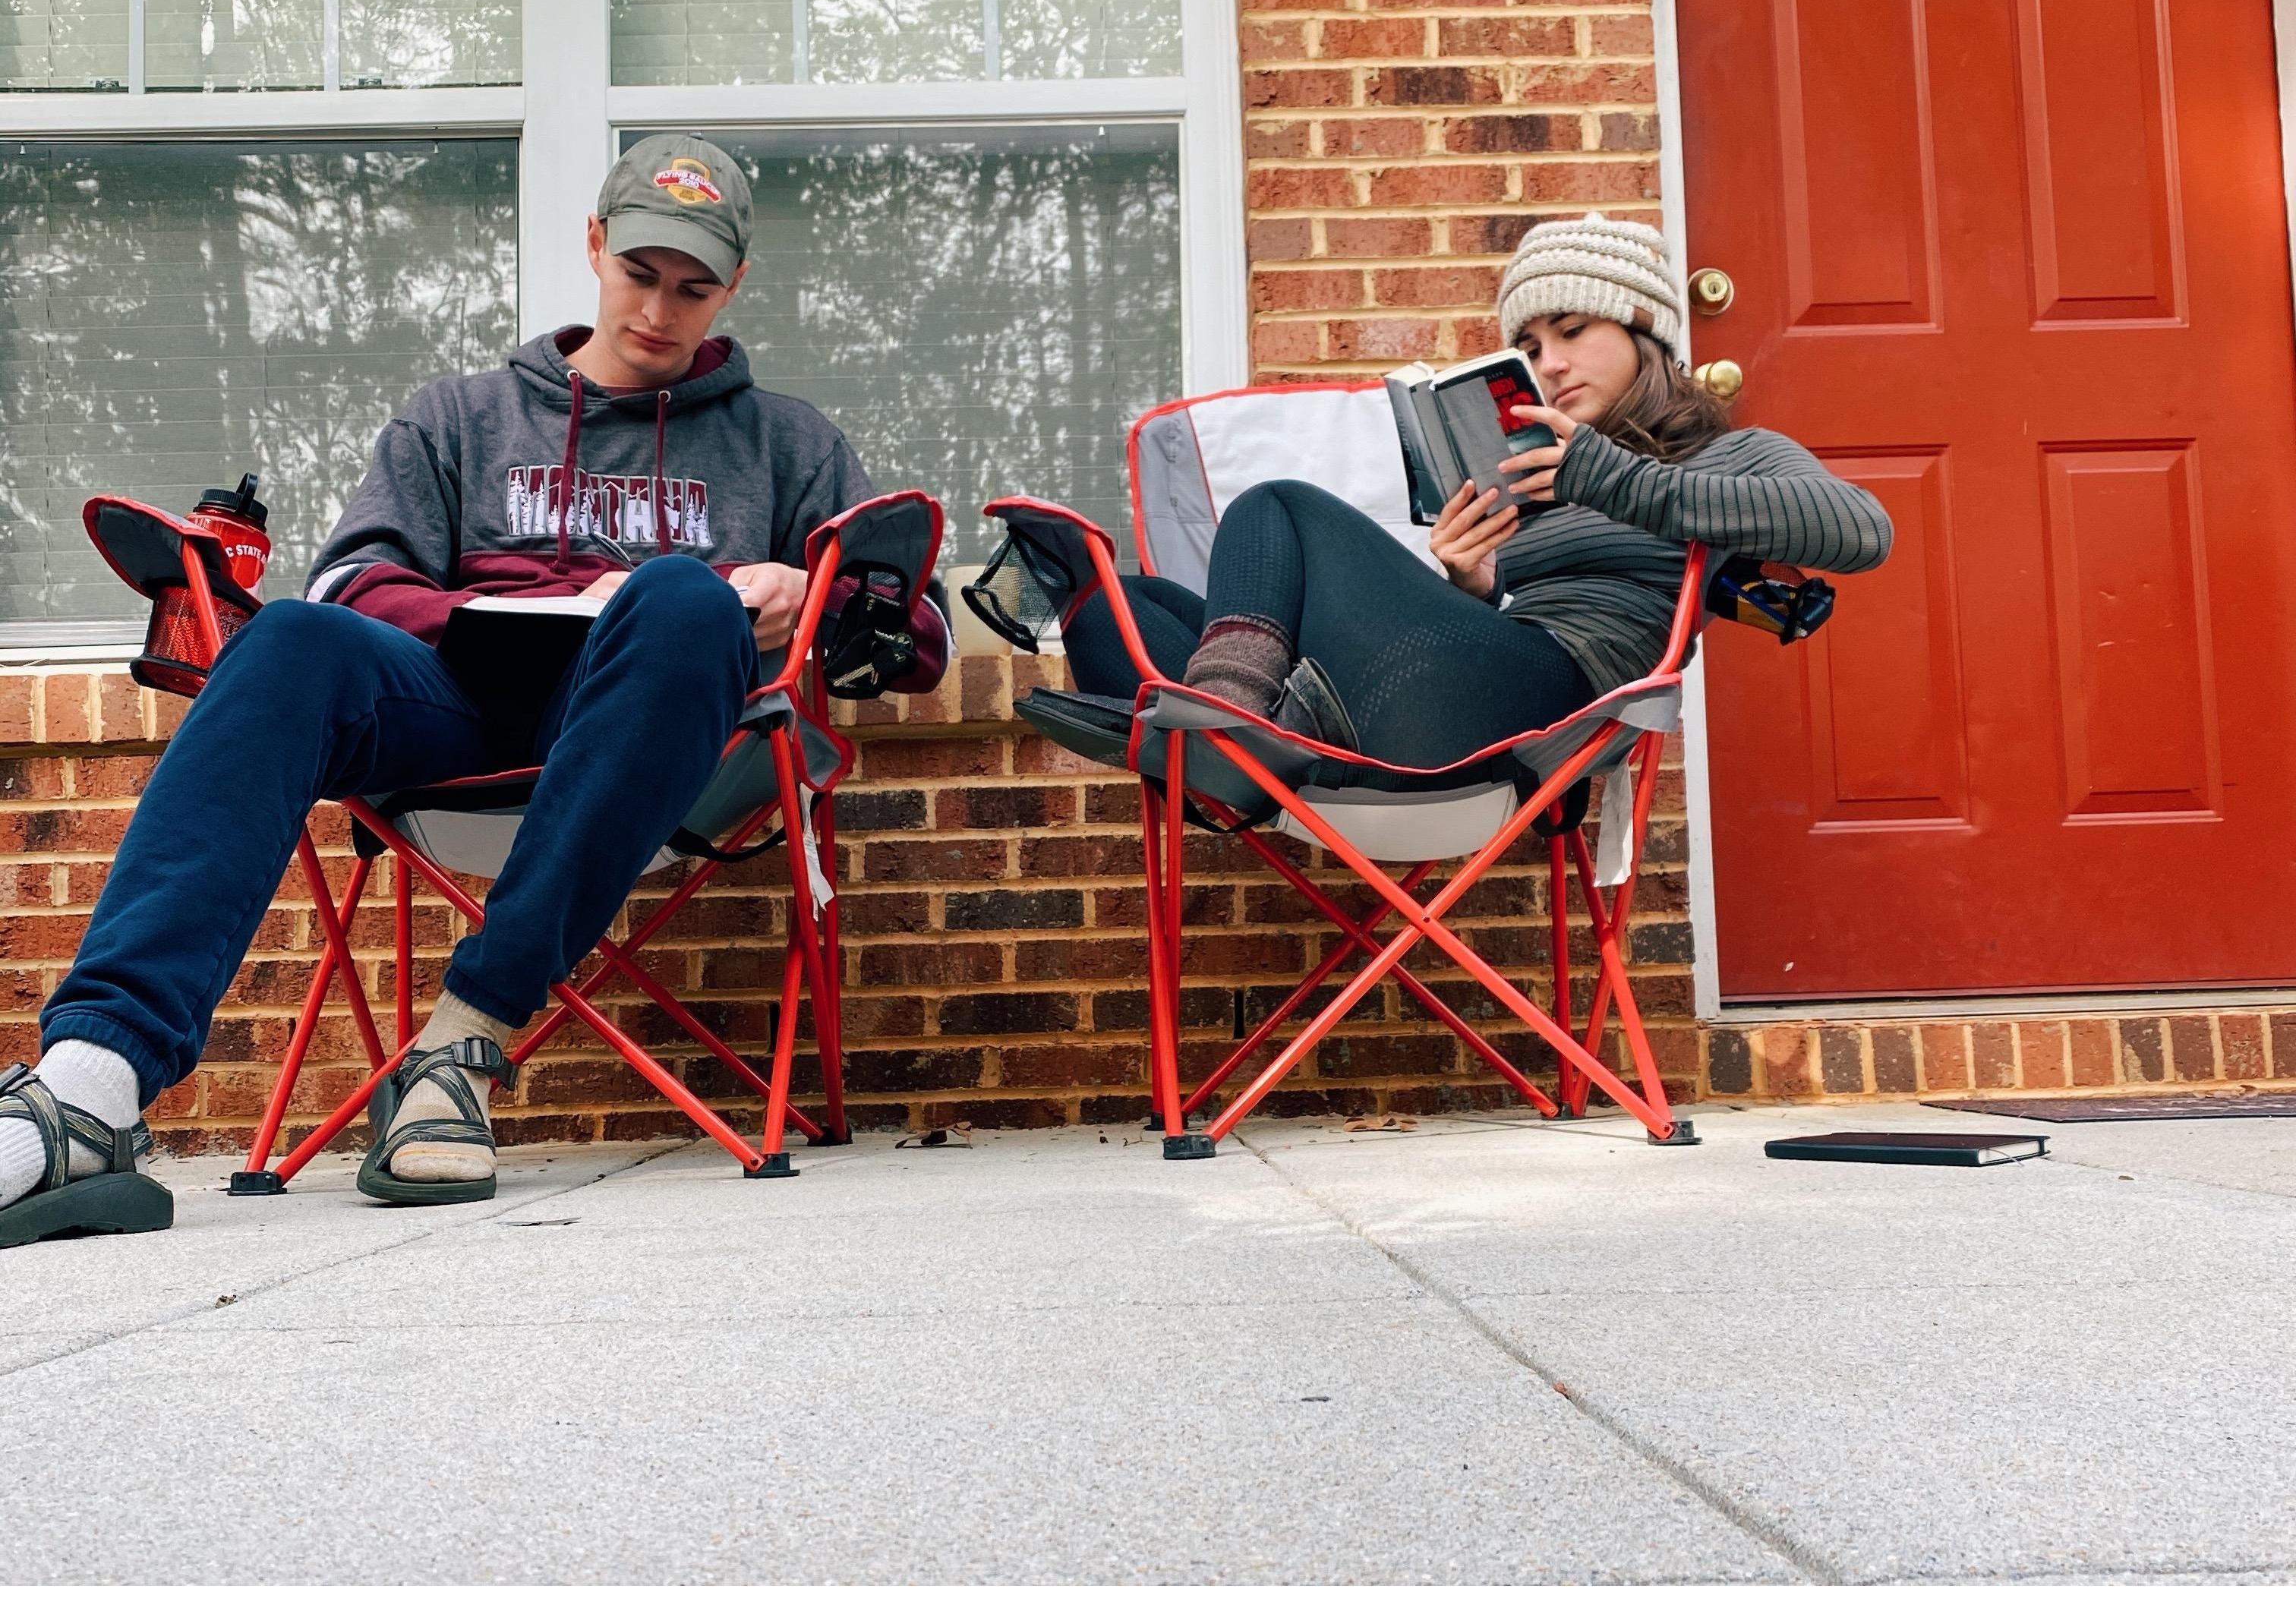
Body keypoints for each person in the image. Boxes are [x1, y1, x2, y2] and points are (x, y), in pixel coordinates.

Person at [0, 133, 947, 1247]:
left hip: (652, 727)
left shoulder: (786, 442)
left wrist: (812, 596)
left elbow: (912, 634)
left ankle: (462, 1039)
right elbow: (357, 579)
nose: (659, 310)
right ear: (594, 247)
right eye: (640, 275)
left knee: (687, 601)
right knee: (291, 638)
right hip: (455, 702)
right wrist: (492, 621)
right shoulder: (457, 416)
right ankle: (91, 1084)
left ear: (733, 286)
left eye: (693, 288)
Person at [1063, 213, 1891, 764]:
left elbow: (1858, 533)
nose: (1550, 363)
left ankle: (1225, 740)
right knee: (1120, 600)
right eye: (1531, 344)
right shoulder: (1534, 477)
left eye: (1573, 332)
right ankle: (1238, 736)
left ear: (1649, 340)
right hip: (1467, 680)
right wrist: (1474, 585)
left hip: (1555, 707)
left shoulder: (1729, 457)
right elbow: (1488, 621)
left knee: (1278, 508)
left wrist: (1614, 477)